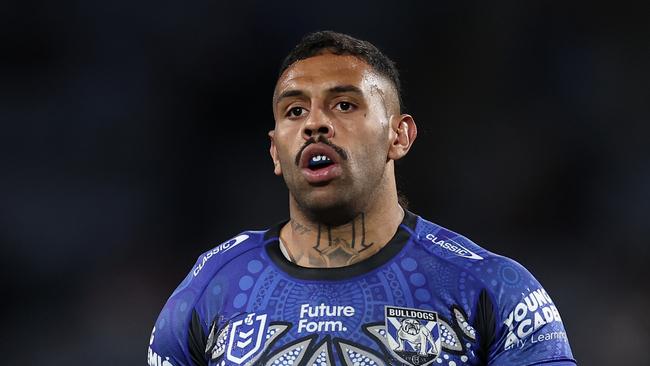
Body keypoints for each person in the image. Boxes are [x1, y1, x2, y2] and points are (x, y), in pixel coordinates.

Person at [147, 31, 576, 366]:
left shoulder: (492, 289)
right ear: (276, 150)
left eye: (344, 105)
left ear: (399, 135)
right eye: (295, 111)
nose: (315, 123)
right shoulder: (211, 287)